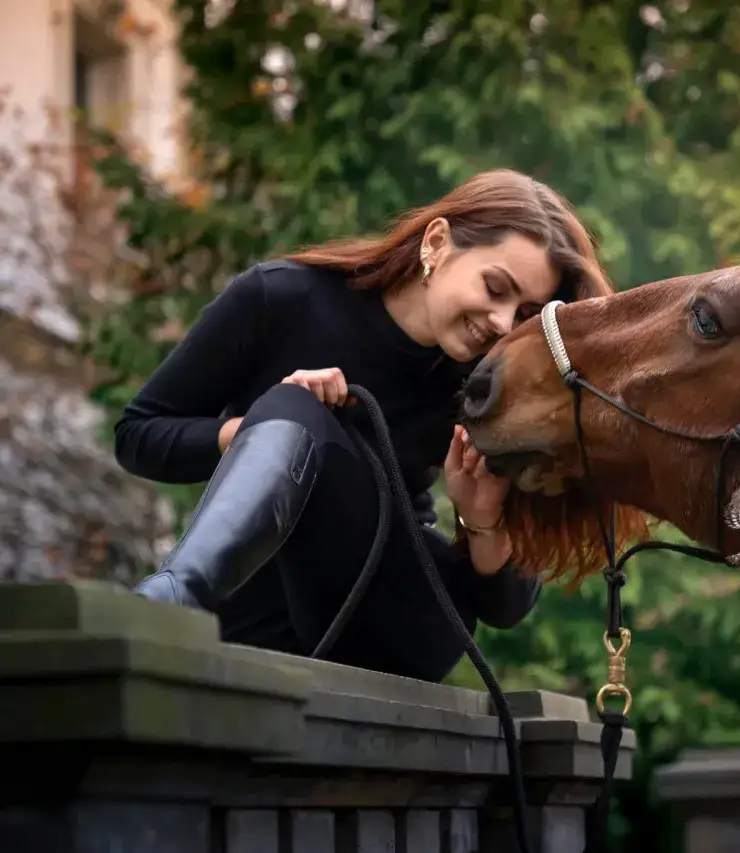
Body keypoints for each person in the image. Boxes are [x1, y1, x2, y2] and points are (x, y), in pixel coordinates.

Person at [114, 169, 614, 682]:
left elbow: (506, 607)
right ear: (437, 242)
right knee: (295, 404)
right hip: (251, 624)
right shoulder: (280, 298)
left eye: (525, 312)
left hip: (401, 628)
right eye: (495, 288)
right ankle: (170, 600)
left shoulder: (491, 383)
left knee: (296, 409)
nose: (503, 324)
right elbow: (138, 435)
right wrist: (261, 425)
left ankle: (168, 603)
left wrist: (481, 519)